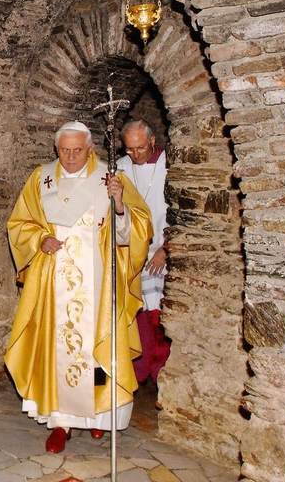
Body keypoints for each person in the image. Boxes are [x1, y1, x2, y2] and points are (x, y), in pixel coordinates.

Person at [5, 121, 152, 453]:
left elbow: (138, 230)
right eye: (64, 150)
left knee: (97, 350)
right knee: (58, 348)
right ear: (56, 149)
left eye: (78, 150)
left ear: (90, 149)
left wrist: (119, 204)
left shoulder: (110, 179)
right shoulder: (40, 179)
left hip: (98, 281)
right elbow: (19, 223)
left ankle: (99, 417)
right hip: (54, 282)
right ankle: (62, 422)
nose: (70, 157)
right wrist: (39, 238)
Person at [117, 120, 171, 384]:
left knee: (157, 315)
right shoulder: (121, 168)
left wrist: (166, 248)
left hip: (161, 250)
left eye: (139, 147)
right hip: (131, 252)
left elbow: (180, 213)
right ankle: (138, 371)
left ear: (152, 141)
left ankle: (160, 371)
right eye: (129, 149)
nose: (134, 154)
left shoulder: (170, 166)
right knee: (135, 313)